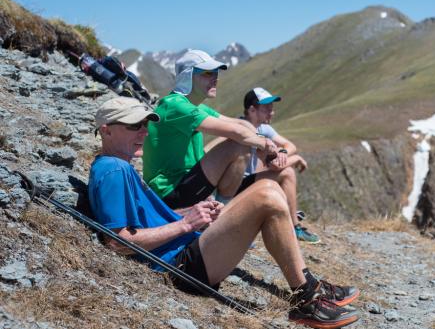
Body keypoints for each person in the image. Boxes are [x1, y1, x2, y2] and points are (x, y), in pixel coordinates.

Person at [87, 97, 360, 328]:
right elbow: (117, 242)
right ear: (106, 130)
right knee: (266, 192)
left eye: (145, 125)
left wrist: (190, 212)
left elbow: (143, 220)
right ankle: (308, 298)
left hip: (188, 252)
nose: (144, 133)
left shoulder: (118, 166)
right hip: (181, 267)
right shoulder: (113, 170)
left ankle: (309, 289)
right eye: (135, 126)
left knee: (270, 191)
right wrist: (185, 226)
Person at [142, 50, 276, 210]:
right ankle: (223, 211)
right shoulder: (174, 106)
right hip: (169, 193)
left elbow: (241, 124)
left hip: (186, 182)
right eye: (207, 73)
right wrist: (264, 144)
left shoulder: (194, 106)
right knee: (239, 145)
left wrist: (262, 141)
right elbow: (236, 132)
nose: (215, 78)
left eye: (216, 73)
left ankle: (220, 209)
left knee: (245, 141)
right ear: (187, 76)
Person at [211, 87, 318, 243]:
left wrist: (283, 152)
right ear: (252, 110)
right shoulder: (237, 128)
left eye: (272, 108)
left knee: (286, 171)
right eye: (267, 108)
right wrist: (295, 159)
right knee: (287, 172)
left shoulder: (263, 128)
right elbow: (275, 167)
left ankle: (291, 223)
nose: (272, 112)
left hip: (247, 182)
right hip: (232, 187)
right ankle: (293, 226)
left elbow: (289, 145)